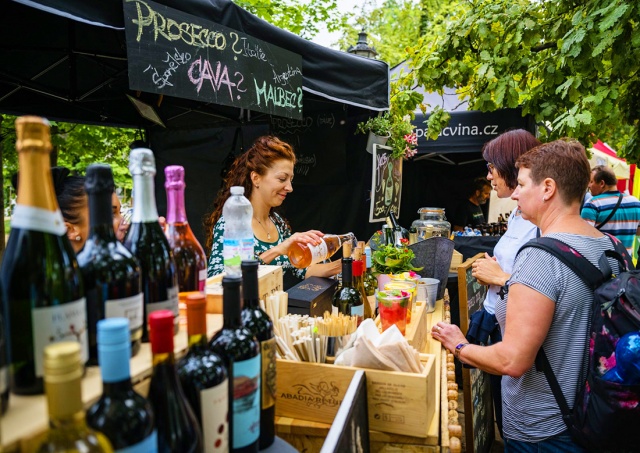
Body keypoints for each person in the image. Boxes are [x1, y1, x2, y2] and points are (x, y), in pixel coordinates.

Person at [431, 139, 623, 451]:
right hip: (596, 415)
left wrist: (460, 345)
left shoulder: (540, 257)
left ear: (547, 188)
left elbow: (512, 359)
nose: (515, 192)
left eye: (521, 184)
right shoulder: (611, 246)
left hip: (543, 429)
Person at [468, 129, 540, 436]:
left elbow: (546, 286)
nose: (487, 177)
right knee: (503, 410)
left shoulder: (540, 222)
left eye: (491, 168)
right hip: (497, 322)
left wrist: (500, 277)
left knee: (515, 417)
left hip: (515, 336)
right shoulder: (517, 216)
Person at [204, 135, 341, 289]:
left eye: (291, 179)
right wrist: (276, 251)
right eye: (282, 179)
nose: (290, 187)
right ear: (256, 178)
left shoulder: (277, 222)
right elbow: (218, 280)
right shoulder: (234, 224)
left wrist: (344, 265)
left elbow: (301, 270)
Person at [581, 165, 640, 255]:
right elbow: (638, 232)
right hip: (627, 265)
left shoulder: (592, 204)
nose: (589, 186)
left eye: (591, 182)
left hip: (602, 266)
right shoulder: (635, 203)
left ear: (602, 183)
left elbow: (583, 239)